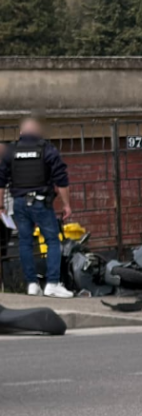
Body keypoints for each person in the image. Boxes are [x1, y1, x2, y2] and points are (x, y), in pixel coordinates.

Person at [0, 118, 74, 298]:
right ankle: (53, 283)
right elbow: (61, 180)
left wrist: (1, 204)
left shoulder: (12, 151)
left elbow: (1, 180)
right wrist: (66, 205)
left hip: (19, 203)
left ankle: (32, 285)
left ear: (21, 133)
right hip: (40, 202)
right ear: (39, 132)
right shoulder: (47, 150)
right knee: (52, 241)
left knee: (25, 242)